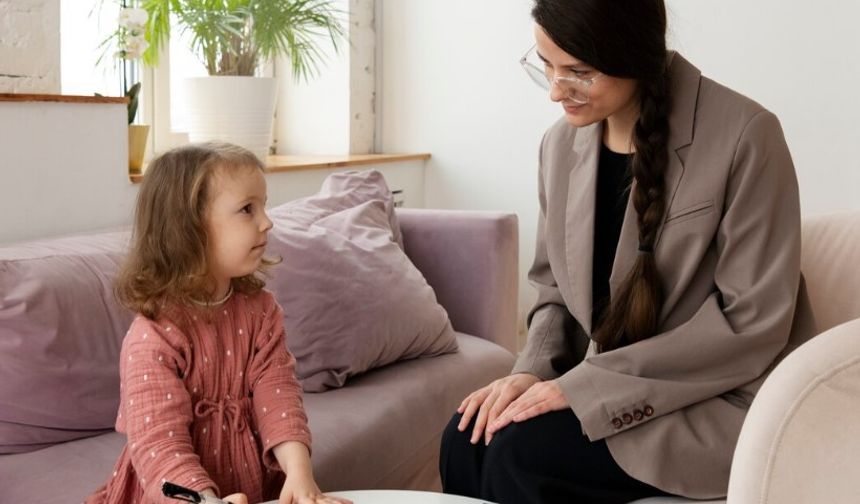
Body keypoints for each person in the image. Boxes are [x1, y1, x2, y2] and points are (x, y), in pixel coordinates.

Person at [440, 1, 802, 503]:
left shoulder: (745, 135)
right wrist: (530, 372)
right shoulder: (558, 147)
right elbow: (553, 293)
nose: (554, 91)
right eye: (545, 65)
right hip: (595, 381)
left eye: (578, 73)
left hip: (701, 397)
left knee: (520, 453)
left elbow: (752, 322)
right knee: (465, 438)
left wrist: (586, 387)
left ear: (633, 55)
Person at [86, 143, 350, 504]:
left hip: (252, 484)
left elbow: (279, 396)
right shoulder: (153, 335)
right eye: (247, 209)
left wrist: (299, 473)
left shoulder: (262, 312)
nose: (267, 221)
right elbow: (160, 444)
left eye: (263, 205)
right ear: (189, 230)